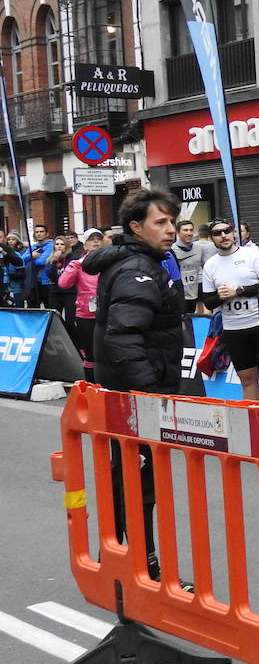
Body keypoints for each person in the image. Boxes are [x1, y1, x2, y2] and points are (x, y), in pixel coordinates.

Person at [83, 190, 186, 586]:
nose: (170, 229)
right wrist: (150, 396)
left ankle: (117, 558)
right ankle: (143, 567)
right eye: (160, 222)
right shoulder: (136, 268)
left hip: (130, 394)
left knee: (125, 475)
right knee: (139, 481)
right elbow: (123, 337)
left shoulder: (143, 261)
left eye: (172, 222)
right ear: (135, 227)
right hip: (136, 398)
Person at [200, 220, 259, 402]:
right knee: (248, 380)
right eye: (218, 233)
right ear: (212, 239)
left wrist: (240, 290)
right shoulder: (211, 265)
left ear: (234, 234)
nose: (223, 236)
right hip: (233, 330)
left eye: (227, 231)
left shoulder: (252, 255)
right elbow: (209, 302)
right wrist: (221, 297)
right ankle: (254, 423)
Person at [58, 228, 109, 375]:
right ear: (85, 245)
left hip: (109, 313)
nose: (95, 242)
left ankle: (109, 386)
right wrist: (76, 266)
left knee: (109, 352)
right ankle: (91, 386)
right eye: (91, 239)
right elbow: (63, 283)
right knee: (91, 354)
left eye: (98, 239)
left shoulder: (110, 262)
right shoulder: (78, 264)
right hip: (86, 315)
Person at [28, 224, 53, 309]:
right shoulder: (33, 247)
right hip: (34, 281)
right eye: (37, 232)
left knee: (48, 306)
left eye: (41, 232)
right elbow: (22, 259)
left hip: (46, 281)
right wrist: (31, 255)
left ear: (47, 234)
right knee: (34, 307)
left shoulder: (51, 245)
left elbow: (42, 261)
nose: (39, 234)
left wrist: (30, 259)